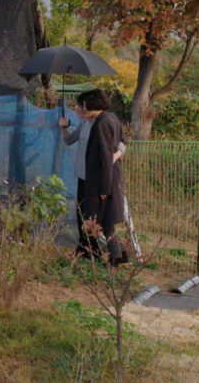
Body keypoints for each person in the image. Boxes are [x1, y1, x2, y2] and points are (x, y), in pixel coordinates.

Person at [66, 89, 129, 265]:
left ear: (91, 105)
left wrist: (104, 189)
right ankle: (120, 256)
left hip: (101, 180)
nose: (81, 107)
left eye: (83, 104)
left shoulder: (101, 124)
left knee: (102, 220)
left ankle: (117, 258)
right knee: (102, 219)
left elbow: (104, 156)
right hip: (102, 178)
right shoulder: (110, 118)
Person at [60, 92, 95, 258]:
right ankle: (83, 249)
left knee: (92, 214)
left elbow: (121, 143)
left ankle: (94, 250)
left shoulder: (102, 123)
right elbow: (69, 140)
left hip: (95, 175)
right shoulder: (84, 123)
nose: (77, 108)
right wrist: (64, 128)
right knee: (80, 211)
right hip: (82, 174)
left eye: (79, 106)